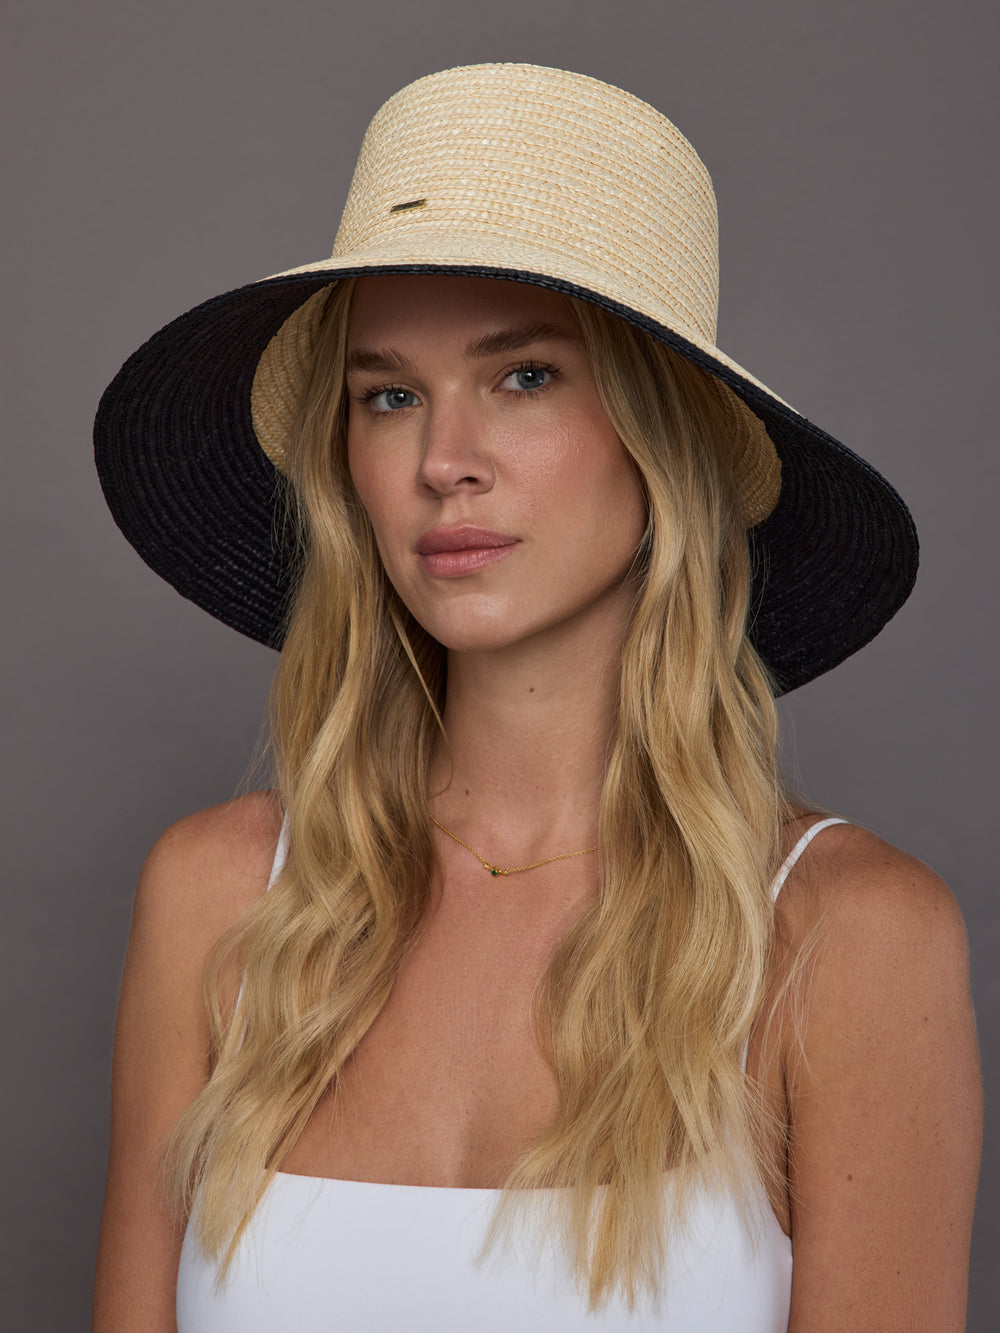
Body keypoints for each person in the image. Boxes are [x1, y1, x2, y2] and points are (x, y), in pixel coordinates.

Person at [92, 64, 981, 1332]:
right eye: (389, 396)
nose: (442, 462)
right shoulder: (223, 898)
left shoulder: (845, 936)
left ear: (661, 436)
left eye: (524, 377)